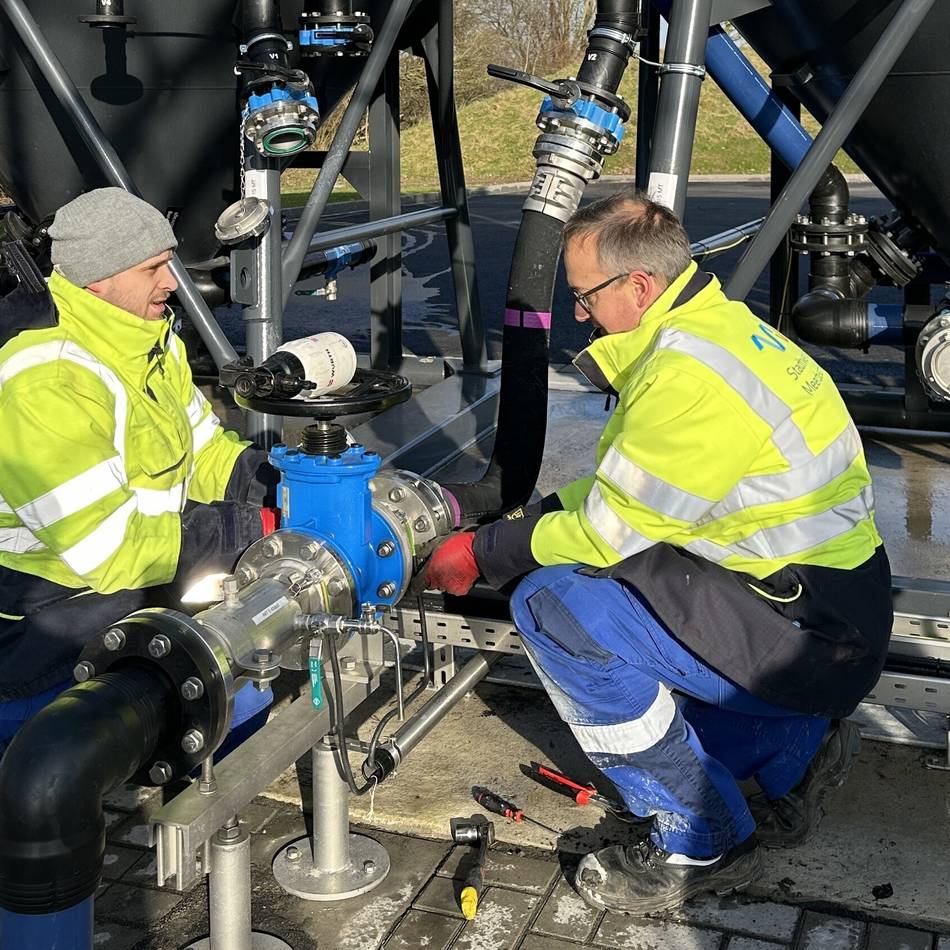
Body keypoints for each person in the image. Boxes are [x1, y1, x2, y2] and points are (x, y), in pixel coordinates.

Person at [424, 191, 892, 915]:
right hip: (824, 611)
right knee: (681, 720)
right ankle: (792, 755)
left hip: (808, 632)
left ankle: (700, 840)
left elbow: (609, 533)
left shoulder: (687, 375)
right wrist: (528, 522)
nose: (580, 315)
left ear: (637, 288)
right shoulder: (718, 332)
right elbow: (631, 491)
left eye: (583, 299)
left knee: (553, 607)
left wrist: (485, 552)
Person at [0, 188, 279, 754]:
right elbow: (109, 549)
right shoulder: (45, 378)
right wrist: (257, 531)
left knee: (247, 700)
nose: (172, 282)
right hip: (43, 626)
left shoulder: (152, 343)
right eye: (153, 267)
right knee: (233, 704)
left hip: (125, 591)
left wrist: (286, 485)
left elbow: (206, 453)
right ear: (97, 279)